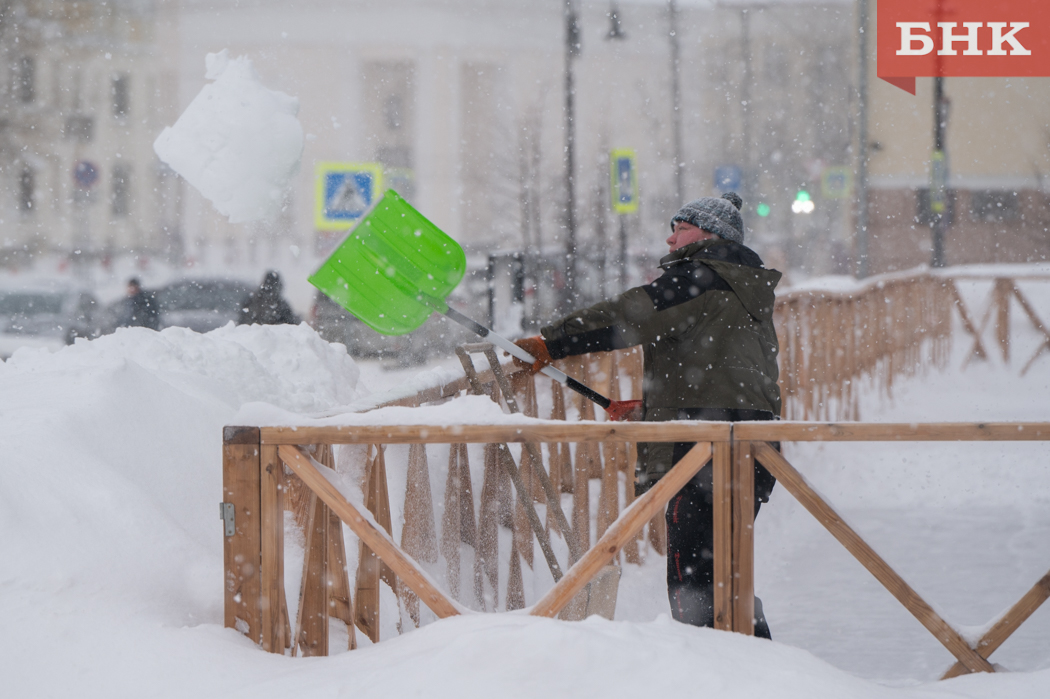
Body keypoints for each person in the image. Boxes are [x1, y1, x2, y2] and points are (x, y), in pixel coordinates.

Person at [514, 192, 781, 637]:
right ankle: (755, 668)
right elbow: (729, 372)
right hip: (748, 442)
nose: (671, 238)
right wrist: (656, 408)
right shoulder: (743, 285)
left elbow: (629, 315)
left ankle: (708, 669)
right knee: (728, 574)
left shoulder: (701, 278)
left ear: (710, 235)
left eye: (681, 228)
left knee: (694, 575)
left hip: (702, 448)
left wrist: (551, 343)